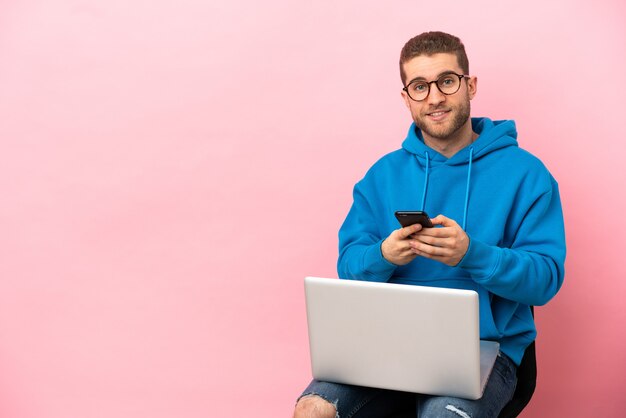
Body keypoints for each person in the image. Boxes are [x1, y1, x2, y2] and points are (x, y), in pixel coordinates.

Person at [293, 31, 566, 418]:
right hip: (384, 344)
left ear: (469, 85)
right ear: (406, 98)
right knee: (312, 410)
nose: (435, 97)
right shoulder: (382, 175)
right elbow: (350, 267)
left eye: (447, 81)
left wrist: (473, 254)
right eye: (420, 86)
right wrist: (383, 255)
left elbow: (546, 281)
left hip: (483, 348)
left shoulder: (527, 175)